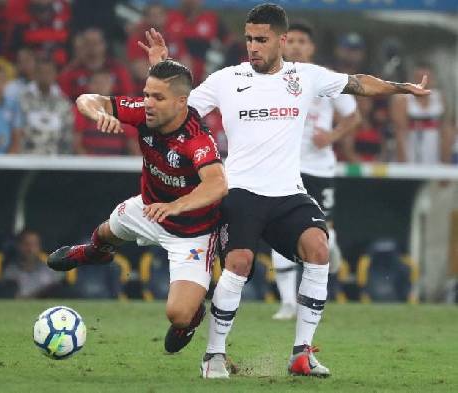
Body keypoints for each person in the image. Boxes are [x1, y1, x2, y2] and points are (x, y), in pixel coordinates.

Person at [141, 2, 430, 379]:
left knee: (319, 248)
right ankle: (213, 355)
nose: (253, 47)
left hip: (288, 192)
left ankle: (302, 354)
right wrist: (159, 69)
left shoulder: (305, 77)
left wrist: (403, 89)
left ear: (282, 40)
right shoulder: (226, 79)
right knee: (240, 264)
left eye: (261, 39)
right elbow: (173, 109)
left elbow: (358, 83)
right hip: (240, 190)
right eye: (248, 39)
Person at [46, 59, 227, 355]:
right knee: (105, 231)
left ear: (182, 102)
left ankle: (192, 317)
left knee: (178, 314)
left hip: (192, 232)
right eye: (145, 94)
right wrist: (98, 114)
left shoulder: (197, 138)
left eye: (157, 97)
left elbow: (217, 184)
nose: (148, 103)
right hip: (149, 209)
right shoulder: (144, 112)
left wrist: (176, 206)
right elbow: (87, 99)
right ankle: (92, 253)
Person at [271, 21, 362, 321]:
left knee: (324, 233)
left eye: (302, 41)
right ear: (283, 44)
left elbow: (353, 117)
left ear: (311, 47)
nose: (296, 45)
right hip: (285, 167)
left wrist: (332, 137)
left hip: (319, 168)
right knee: (277, 229)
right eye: (291, 40)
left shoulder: (326, 79)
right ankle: (287, 302)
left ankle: (330, 249)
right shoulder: (271, 79)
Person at [390, 63, 452, 164]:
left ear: (433, 79)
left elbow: (446, 131)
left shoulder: (440, 99)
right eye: (419, 79)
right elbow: (399, 133)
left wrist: (445, 162)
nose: (424, 84)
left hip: (434, 154)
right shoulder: (403, 100)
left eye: (427, 79)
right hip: (410, 154)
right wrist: (403, 163)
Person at [19, 58, 74, 154]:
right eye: (41, 72)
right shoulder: (21, 99)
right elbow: (18, 131)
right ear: (35, 74)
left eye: (48, 72)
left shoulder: (64, 103)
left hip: (56, 158)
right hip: (27, 156)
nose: (45, 76)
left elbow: (67, 134)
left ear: (55, 74)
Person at [3, 230, 61, 298]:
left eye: (35, 245)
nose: (31, 249)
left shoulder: (49, 270)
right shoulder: (11, 271)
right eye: (27, 244)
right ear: (19, 246)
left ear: (39, 247)